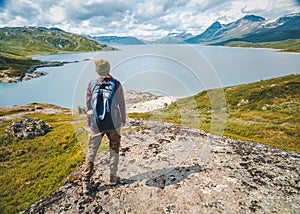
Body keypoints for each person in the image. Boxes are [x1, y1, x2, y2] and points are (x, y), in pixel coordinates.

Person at [82, 59, 126, 194]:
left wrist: (89, 121)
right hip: (113, 123)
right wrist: (123, 119)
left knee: (91, 151)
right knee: (114, 149)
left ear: (96, 70)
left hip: (96, 125)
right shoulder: (116, 83)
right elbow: (121, 104)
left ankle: (85, 182)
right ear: (108, 69)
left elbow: (89, 105)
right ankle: (113, 178)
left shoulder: (91, 84)